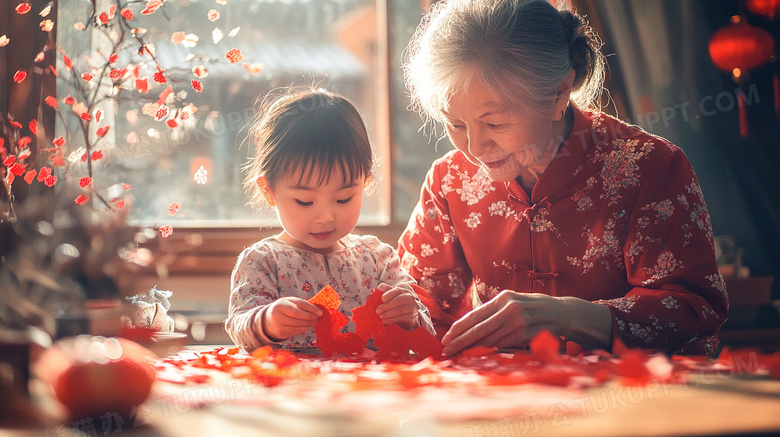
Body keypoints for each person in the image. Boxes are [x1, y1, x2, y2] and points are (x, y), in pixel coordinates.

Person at [398, 0, 728, 357]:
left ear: (558, 94)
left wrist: (572, 317)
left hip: (628, 401)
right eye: (455, 124)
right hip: (496, 400)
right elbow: (420, 302)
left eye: (495, 123)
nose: (474, 146)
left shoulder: (648, 167)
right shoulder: (451, 181)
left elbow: (693, 308)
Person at [225, 87, 434, 352]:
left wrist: (410, 316)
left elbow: (427, 330)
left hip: (372, 388)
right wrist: (266, 322)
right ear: (269, 190)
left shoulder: (377, 258)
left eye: (344, 198)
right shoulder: (263, 261)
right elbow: (239, 327)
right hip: (294, 386)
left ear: (365, 184)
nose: (325, 217)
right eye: (305, 202)